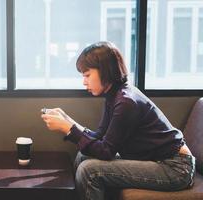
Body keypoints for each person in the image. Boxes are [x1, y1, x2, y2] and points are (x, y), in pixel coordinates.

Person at [41, 41, 195, 200]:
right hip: (155, 159)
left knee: (90, 170)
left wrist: (68, 129)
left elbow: (106, 151)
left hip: (175, 168)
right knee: (83, 156)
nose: (84, 81)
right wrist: (68, 122)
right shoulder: (114, 95)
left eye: (87, 75)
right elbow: (100, 136)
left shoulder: (126, 102)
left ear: (105, 71)